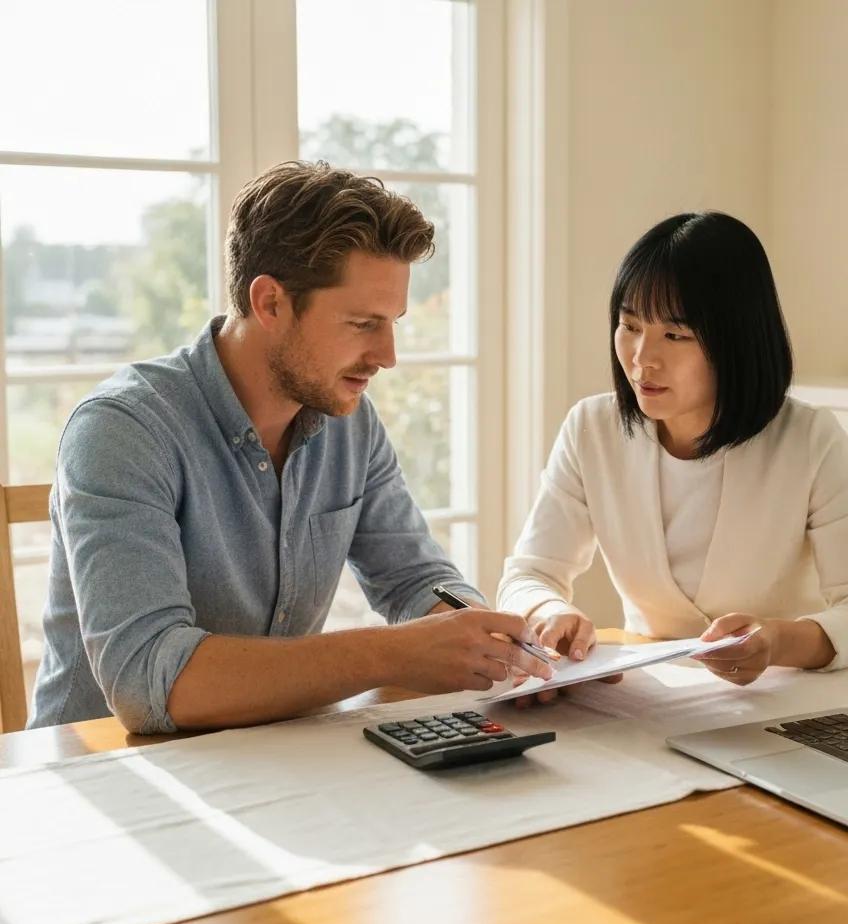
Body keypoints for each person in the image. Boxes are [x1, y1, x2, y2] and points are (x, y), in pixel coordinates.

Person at [29, 161, 552, 734]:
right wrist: (395, 652)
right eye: (363, 323)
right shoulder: (122, 429)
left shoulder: (349, 420)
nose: (388, 355)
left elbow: (414, 579)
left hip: (273, 754)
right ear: (271, 303)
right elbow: (149, 682)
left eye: (393, 323)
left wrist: (501, 643)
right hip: (104, 770)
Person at [498, 211, 848, 699]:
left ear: (737, 340)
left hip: (783, 703)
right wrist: (549, 612)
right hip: (650, 701)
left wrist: (777, 641)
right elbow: (529, 574)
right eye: (630, 325)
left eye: (676, 335)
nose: (642, 358)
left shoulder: (810, 439)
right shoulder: (592, 429)